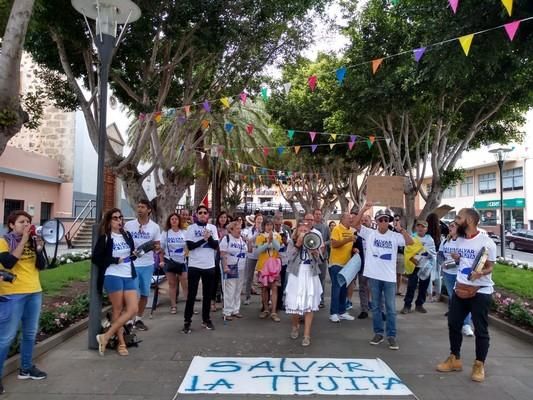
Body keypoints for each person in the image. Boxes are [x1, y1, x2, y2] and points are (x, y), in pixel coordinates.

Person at [436, 208, 496, 382]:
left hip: (481, 291)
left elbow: (491, 266)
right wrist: (456, 258)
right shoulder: (460, 241)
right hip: (460, 288)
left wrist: (481, 273)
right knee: (453, 323)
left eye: (459, 218)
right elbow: (461, 260)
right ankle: (454, 358)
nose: (455, 221)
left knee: (481, 330)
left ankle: (479, 364)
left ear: (469, 220)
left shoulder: (487, 243)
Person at [353, 204, 414, 350]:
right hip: (374, 276)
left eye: (386, 220)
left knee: (391, 308)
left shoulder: (395, 236)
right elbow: (355, 224)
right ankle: (378, 333)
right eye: (380, 220)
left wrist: (401, 229)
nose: (383, 222)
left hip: (389, 278)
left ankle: (391, 336)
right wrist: (363, 209)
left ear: (389, 221)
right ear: (376, 221)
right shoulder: (369, 233)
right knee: (375, 307)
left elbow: (410, 242)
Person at [0, 211, 48, 394]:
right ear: (11, 225)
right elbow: (9, 262)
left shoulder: (32, 241)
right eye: (22, 222)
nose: (26, 224)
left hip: (34, 291)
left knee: (30, 333)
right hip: (12, 294)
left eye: (28, 221)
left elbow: (42, 266)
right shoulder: (3, 241)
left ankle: (26, 368)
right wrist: (24, 240)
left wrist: (38, 248)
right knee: (5, 337)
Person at [93, 208, 138, 356]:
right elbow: (96, 258)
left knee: (133, 309)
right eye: (115, 218)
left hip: (128, 273)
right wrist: (114, 260)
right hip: (112, 274)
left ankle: (105, 336)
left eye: (120, 217)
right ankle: (121, 343)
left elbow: (130, 255)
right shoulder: (105, 238)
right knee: (117, 309)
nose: (119, 220)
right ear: (109, 221)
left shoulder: (127, 235)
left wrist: (135, 255)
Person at [124, 199, 161, 331]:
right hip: (131, 264)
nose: (139, 209)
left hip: (147, 264)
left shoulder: (154, 227)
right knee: (133, 293)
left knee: (144, 293)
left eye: (143, 207)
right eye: (138, 207)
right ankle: (129, 320)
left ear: (149, 210)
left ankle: (138, 319)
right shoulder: (128, 225)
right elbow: (122, 241)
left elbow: (157, 245)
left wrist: (155, 248)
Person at [285, 222, 324, 347]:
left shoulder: (312, 241)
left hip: (310, 274)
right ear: (296, 232)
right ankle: (295, 326)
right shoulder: (292, 242)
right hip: (297, 275)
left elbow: (320, 260)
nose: (303, 232)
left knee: (309, 304)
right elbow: (288, 258)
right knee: (295, 304)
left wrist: (315, 253)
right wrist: (298, 245)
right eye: (300, 230)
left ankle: (307, 334)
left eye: (305, 230)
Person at [182, 205, 219, 333]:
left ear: (208, 215)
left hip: (209, 266)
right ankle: (187, 321)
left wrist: (209, 238)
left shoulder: (212, 228)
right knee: (191, 295)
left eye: (205, 212)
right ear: (196, 215)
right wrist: (204, 239)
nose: (203, 214)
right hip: (194, 266)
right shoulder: (191, 228)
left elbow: (215, 246)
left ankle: (206, 319)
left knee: (207, 295)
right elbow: (190, 246)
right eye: (200, 213)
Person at [439, 222, 474, 336]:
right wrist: (442, 263)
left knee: (464, 298)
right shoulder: (445, 241)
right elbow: (440, 254)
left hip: (460, 275)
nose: (450, 227)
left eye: (453, 226)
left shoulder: (463, 241)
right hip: (447, 274)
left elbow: (465, 259)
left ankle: (466, 325)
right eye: (450, 226)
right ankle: (456, 320)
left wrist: (455, 261)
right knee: (453, 298)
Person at [401, 220, 436, 314]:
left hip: (425, 266)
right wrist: (417, 253)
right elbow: (407, 251)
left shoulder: (430, 239)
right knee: (411, 286)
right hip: (414, 266)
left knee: (423, 287)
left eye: (423, 227)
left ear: (426, 229)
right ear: (416, 227)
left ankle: (419, 305)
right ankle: (407, 305)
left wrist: (425, 252)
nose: (420, 228)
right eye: (419, 226)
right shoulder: (412, 237)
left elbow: (432, 252)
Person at [328, 213, 356, 323]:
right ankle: (333, 313)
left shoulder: (351, 230)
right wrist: (348, 240)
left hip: (347, 265)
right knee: (336, 288)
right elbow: (334, 244)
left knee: (344, 288)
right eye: (348, 218)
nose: (351, 219)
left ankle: (342, 311)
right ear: (342, 219)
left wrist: (354, 250)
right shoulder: (337, 229)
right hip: (336, 264)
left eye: (351, 218)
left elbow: (351, 246)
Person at [159, 213, 188, 314]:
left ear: (179, 221)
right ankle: (173, 305)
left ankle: (189, 306)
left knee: (185, 283)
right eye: (172, 219)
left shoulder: (184, 232)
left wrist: (186, 254)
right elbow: (161, 249)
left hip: (182, 262)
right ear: (169, 221)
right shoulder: (165, 233)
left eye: (176, 219)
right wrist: (161, 260)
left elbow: (188, 246)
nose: (174, 220)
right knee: (172, 284)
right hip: (169, 261)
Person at [219, 221, 247, 320]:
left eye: (240, 228)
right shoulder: (226, 239)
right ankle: (227, 311)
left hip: (241, 268)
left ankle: (235, 310)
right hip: (230, 267)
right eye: (238, 228)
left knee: (238, 289)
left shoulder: (242, 240)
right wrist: (225, 266)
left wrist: (249, 241)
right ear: (231, 229)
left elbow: (249, 251)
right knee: (229, 289)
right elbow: (222, 254)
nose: (240, 230)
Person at [255, 218, 282, 322]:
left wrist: (272, 240)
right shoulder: (260, 237)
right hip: (263, 265)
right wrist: (267, 243)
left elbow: (278, 248)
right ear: (264, 226)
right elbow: (258, 250)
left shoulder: (277, 236)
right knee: (264, 288)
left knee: (274, 288)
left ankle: (274, 311)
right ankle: (266, 309)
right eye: (267, 225)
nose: (269, 227)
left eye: (271, 225)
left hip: (274, 266)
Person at [273, 211, 292, 312]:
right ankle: (267, 305)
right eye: (276, 218)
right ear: (274, 219)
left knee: (282, 283)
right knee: (271, 283)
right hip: (273, 261)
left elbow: (290, 244)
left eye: (280, 218)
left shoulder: (286, 230)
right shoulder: (270, 230)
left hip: (284, 260)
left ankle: (280, 303)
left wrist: (285, 241)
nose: (278, 220)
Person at [243, 214, 263, 305]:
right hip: (251, 255)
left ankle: (265, 299)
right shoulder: (249, 229)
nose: (259, 220)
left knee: (263, 277)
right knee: (248, 277)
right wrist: (251, 240)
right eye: (258, 219)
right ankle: (247, 297)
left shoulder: (264, 230)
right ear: (255, 220)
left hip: (262, 255)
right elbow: (246, 239)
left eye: (261, 219)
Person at [312, 209, 330, 308]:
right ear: (314, 215)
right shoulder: (310, 227)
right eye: (316, 214)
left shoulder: (326, 227)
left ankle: (321, 300)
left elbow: (329, 240)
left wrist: (323, 244)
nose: (318, 216)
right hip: (312, 257)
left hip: (322, 257)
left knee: (321, 279)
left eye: (320, 214)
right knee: (312, 278)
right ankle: (313, 299)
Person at [212, 212, 229, 312]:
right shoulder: (214, 229)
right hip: (215, 256)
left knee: (225, 281)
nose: (223, 219)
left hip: (225, 257)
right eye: (221, 217)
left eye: (225, 217)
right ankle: (212, 302)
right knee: (215, 280)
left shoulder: (228, 230)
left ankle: (225, 302)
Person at [426, 213, 442, 301]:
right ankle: (438, 295)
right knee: (438, 275)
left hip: (429, 256)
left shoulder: (427, 232)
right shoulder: (438, 231)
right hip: (438, 255)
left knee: (429, 275)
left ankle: (430, 295)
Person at [393, 215, 406, 296]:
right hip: (393, 255)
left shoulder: (403, 231)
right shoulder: (390, 230)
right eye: (395, 220)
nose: (396, 222)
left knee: (399, 273)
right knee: (391, 273)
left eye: (398, 220)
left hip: (401, 254)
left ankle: (398, 289)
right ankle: (391, 289)